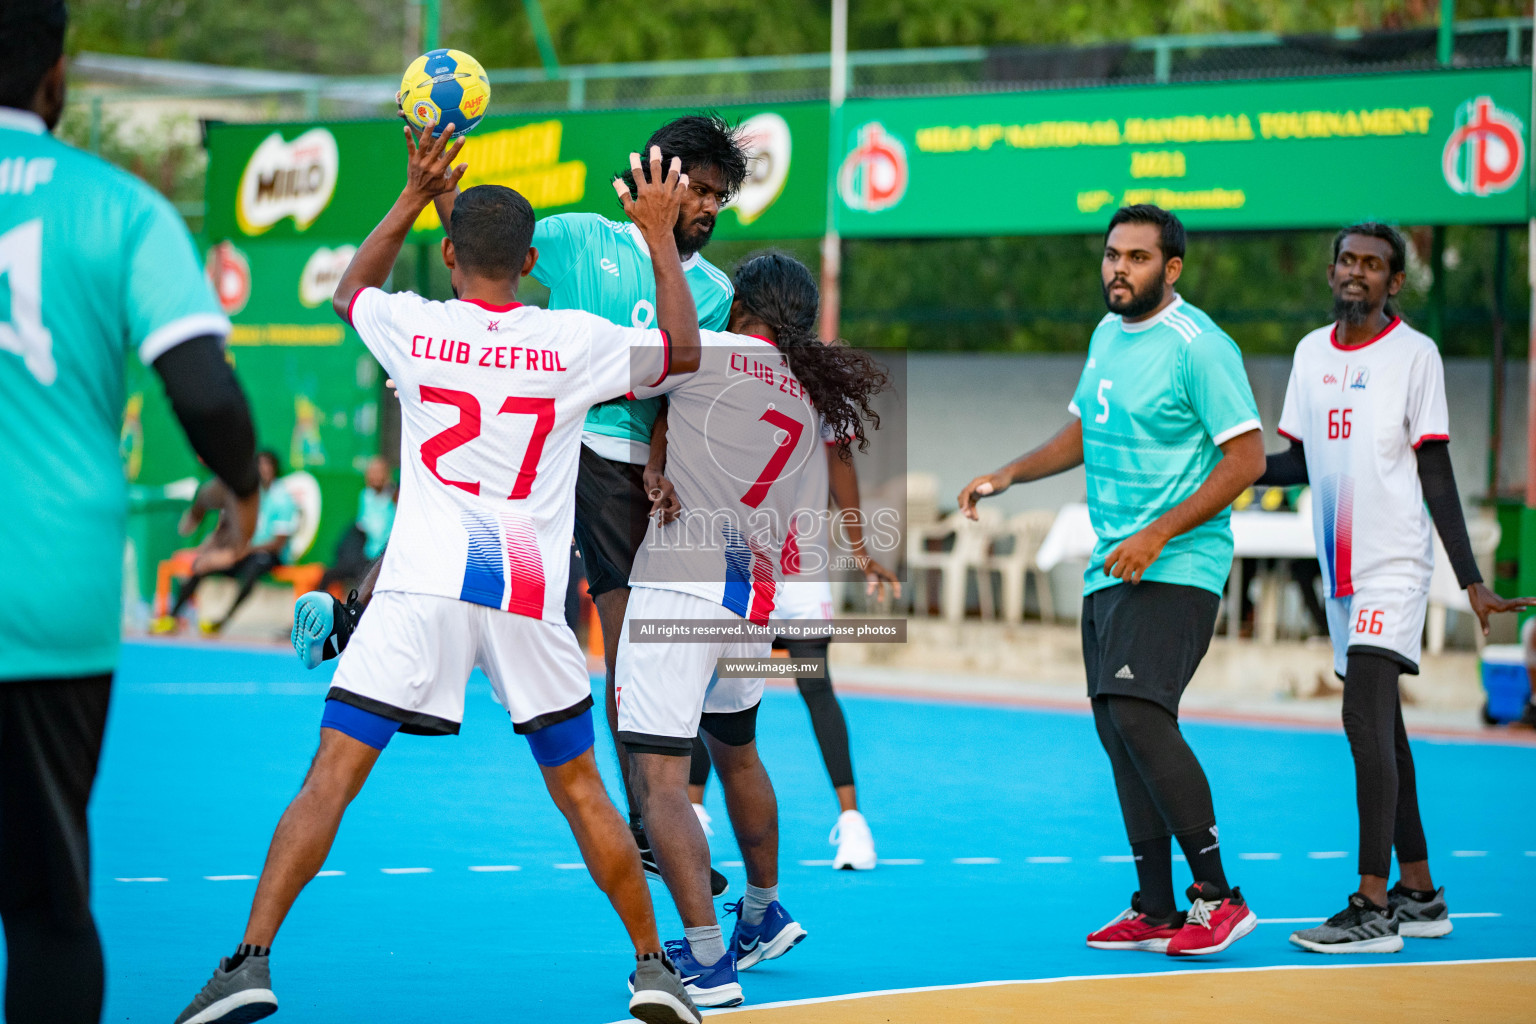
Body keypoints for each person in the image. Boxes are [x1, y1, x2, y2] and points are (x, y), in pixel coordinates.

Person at [173, 133, 704, 1024]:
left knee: (331, 773)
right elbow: (682, 352)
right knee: (581, 788)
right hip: (526, 584)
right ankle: (656, 969)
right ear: (533, 264)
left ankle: (249, 963)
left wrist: (416, 192)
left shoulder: (417, 324)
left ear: (451, 255)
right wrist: (656, 238)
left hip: (421, 580)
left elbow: (350, 291)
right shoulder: (572, 338)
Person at [293, 115, 748, 894]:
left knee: (622, 638)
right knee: (472, 496)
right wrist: (443, 201)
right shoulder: (578, 237)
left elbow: (685, 390)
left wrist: (669, 462)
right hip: (558, 434)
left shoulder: (713, 289)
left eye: (717, 198)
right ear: (659, 181)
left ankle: (647, 815)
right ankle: (360, 608)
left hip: (620, 464)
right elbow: (485, 258)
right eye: (696, 190)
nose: (707, 206)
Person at [0, 4, 260, 1022]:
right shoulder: (117, 208)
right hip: (48, 601)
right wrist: (240, 491)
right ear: (56, 75)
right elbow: (202, 389)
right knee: (46, 904)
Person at [958, 204, 1266, 957]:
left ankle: (1219, 898)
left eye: (1135, 257)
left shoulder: (1201, 347)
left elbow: (1248, 459)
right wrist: (1011, 473)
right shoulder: (1106, 335)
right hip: (1111, 567)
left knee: (1137, 713)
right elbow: (1085, 428)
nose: (1118, 269)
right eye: (1111, 255)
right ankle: (1157, 909)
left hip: (1178, 565)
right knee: (1116, 731)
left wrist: (1159, 532)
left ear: (1172, 268)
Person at [616, 250, 892, 1006]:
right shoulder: (810, 387)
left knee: (659, 778)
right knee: (739, 758)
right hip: (753, 593)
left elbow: (610, 368)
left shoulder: (704, 351)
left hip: (680, 581)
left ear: (740, 304)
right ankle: (762, 915)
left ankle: (706, 962)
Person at [1260, 223, 1534, 954]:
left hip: (1394, 566)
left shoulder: (1417, 355)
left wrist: (1470, 581)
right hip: (1340, 576)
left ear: (1394, 283)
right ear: (1332, 272)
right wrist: (1227, 470)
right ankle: (1420, 891)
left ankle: (1372, 906)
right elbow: (1299, 463)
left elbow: (1435, 472)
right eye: (1348, 260)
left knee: (1362, 720)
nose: (1358, 272)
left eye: (1374, 264)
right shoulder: (1310, 354)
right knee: (1388, 731)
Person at [687, 438, 898, 871]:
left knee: (814, 686)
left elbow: (840, 465)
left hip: (794, 566)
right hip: (739, 561)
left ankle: (853, 822)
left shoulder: (813, 390)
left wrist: (860, 551)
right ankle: (692, 814)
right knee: (709, 684)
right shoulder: (732, 379)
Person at [157, 450, 298, 634]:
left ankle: (223, 620)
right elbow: (224, 527)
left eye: (267, 465)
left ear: (275, 469)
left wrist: (241, 552)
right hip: (240, 552)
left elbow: (278, 543)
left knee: (252, 571)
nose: (263, 469)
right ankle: (172, 616)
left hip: (266, 555)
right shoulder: (243, 495)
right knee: (201, 566)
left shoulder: (282, 498)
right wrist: (211, 549)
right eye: (259, 465)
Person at [318, 455, 396, 594]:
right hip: (364, 556)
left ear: (387, 473)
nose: (374, 476)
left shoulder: (396, 496)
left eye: (379, 472)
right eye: (371, 472)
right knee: (328, 575)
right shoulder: (365, 495)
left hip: (385, 558)